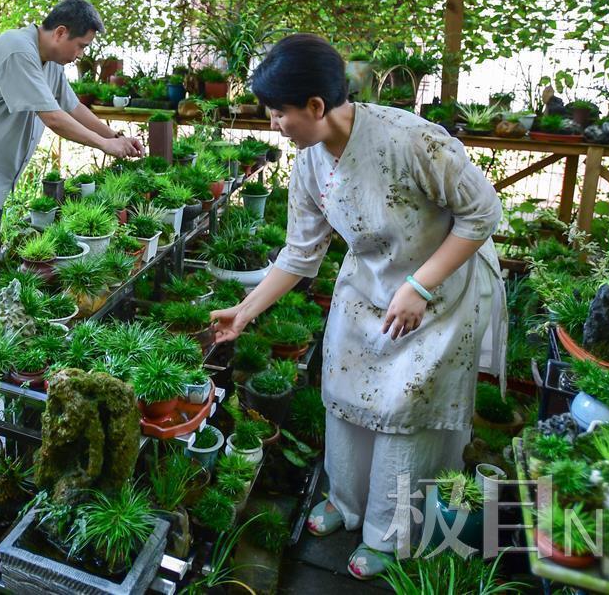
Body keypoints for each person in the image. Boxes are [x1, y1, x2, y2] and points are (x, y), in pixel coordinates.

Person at [209, 34, 506, 579]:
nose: (272, 123)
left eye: (278, 112)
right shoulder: (308, 164)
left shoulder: (413, 140)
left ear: (316, 107)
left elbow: (483, 215)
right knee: (343, 390)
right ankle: (347, 501)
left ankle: (388, 534)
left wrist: (419, 285)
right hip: (367, 285)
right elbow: (300, 254)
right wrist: (244, 312)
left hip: (439, 288)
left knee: (403, 410)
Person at [0, 0, 143, 239]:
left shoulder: (51, 62)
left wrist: (116, 136)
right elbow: (54, 118)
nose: (81, 55)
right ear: (61, 33)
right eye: (81, 46)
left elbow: (73, 107)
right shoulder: (18, 51)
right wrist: (105, 145)